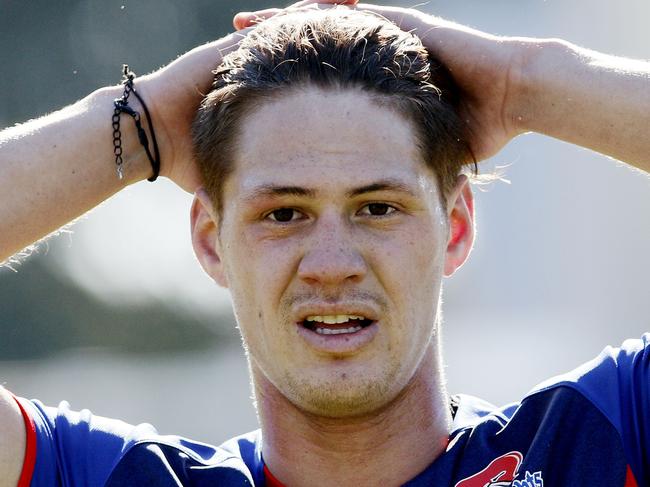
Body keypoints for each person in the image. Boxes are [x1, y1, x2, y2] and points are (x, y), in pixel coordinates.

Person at [0, 1, 648, 486]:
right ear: (210, 239)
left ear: (456, 226)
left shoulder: (600, 438)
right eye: (284, 212)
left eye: (376, 207)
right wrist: (143, 125)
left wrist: (522, 83)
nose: (333, 264)